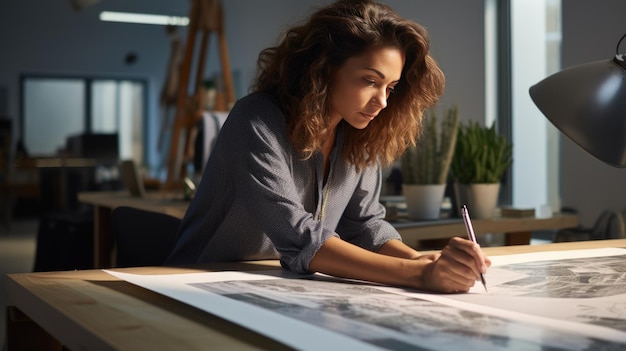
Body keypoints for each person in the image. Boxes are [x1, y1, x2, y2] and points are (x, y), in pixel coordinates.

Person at [166, 0, 491, 293]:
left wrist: (420, 260)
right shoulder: (256, 119)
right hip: (195, 288)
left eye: (390, 87)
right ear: (323, 68)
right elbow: (298, 234)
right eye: (369, 80)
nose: (382, 101)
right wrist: (418, 275)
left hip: (278, 289)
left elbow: (364, 226)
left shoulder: (357, 133)